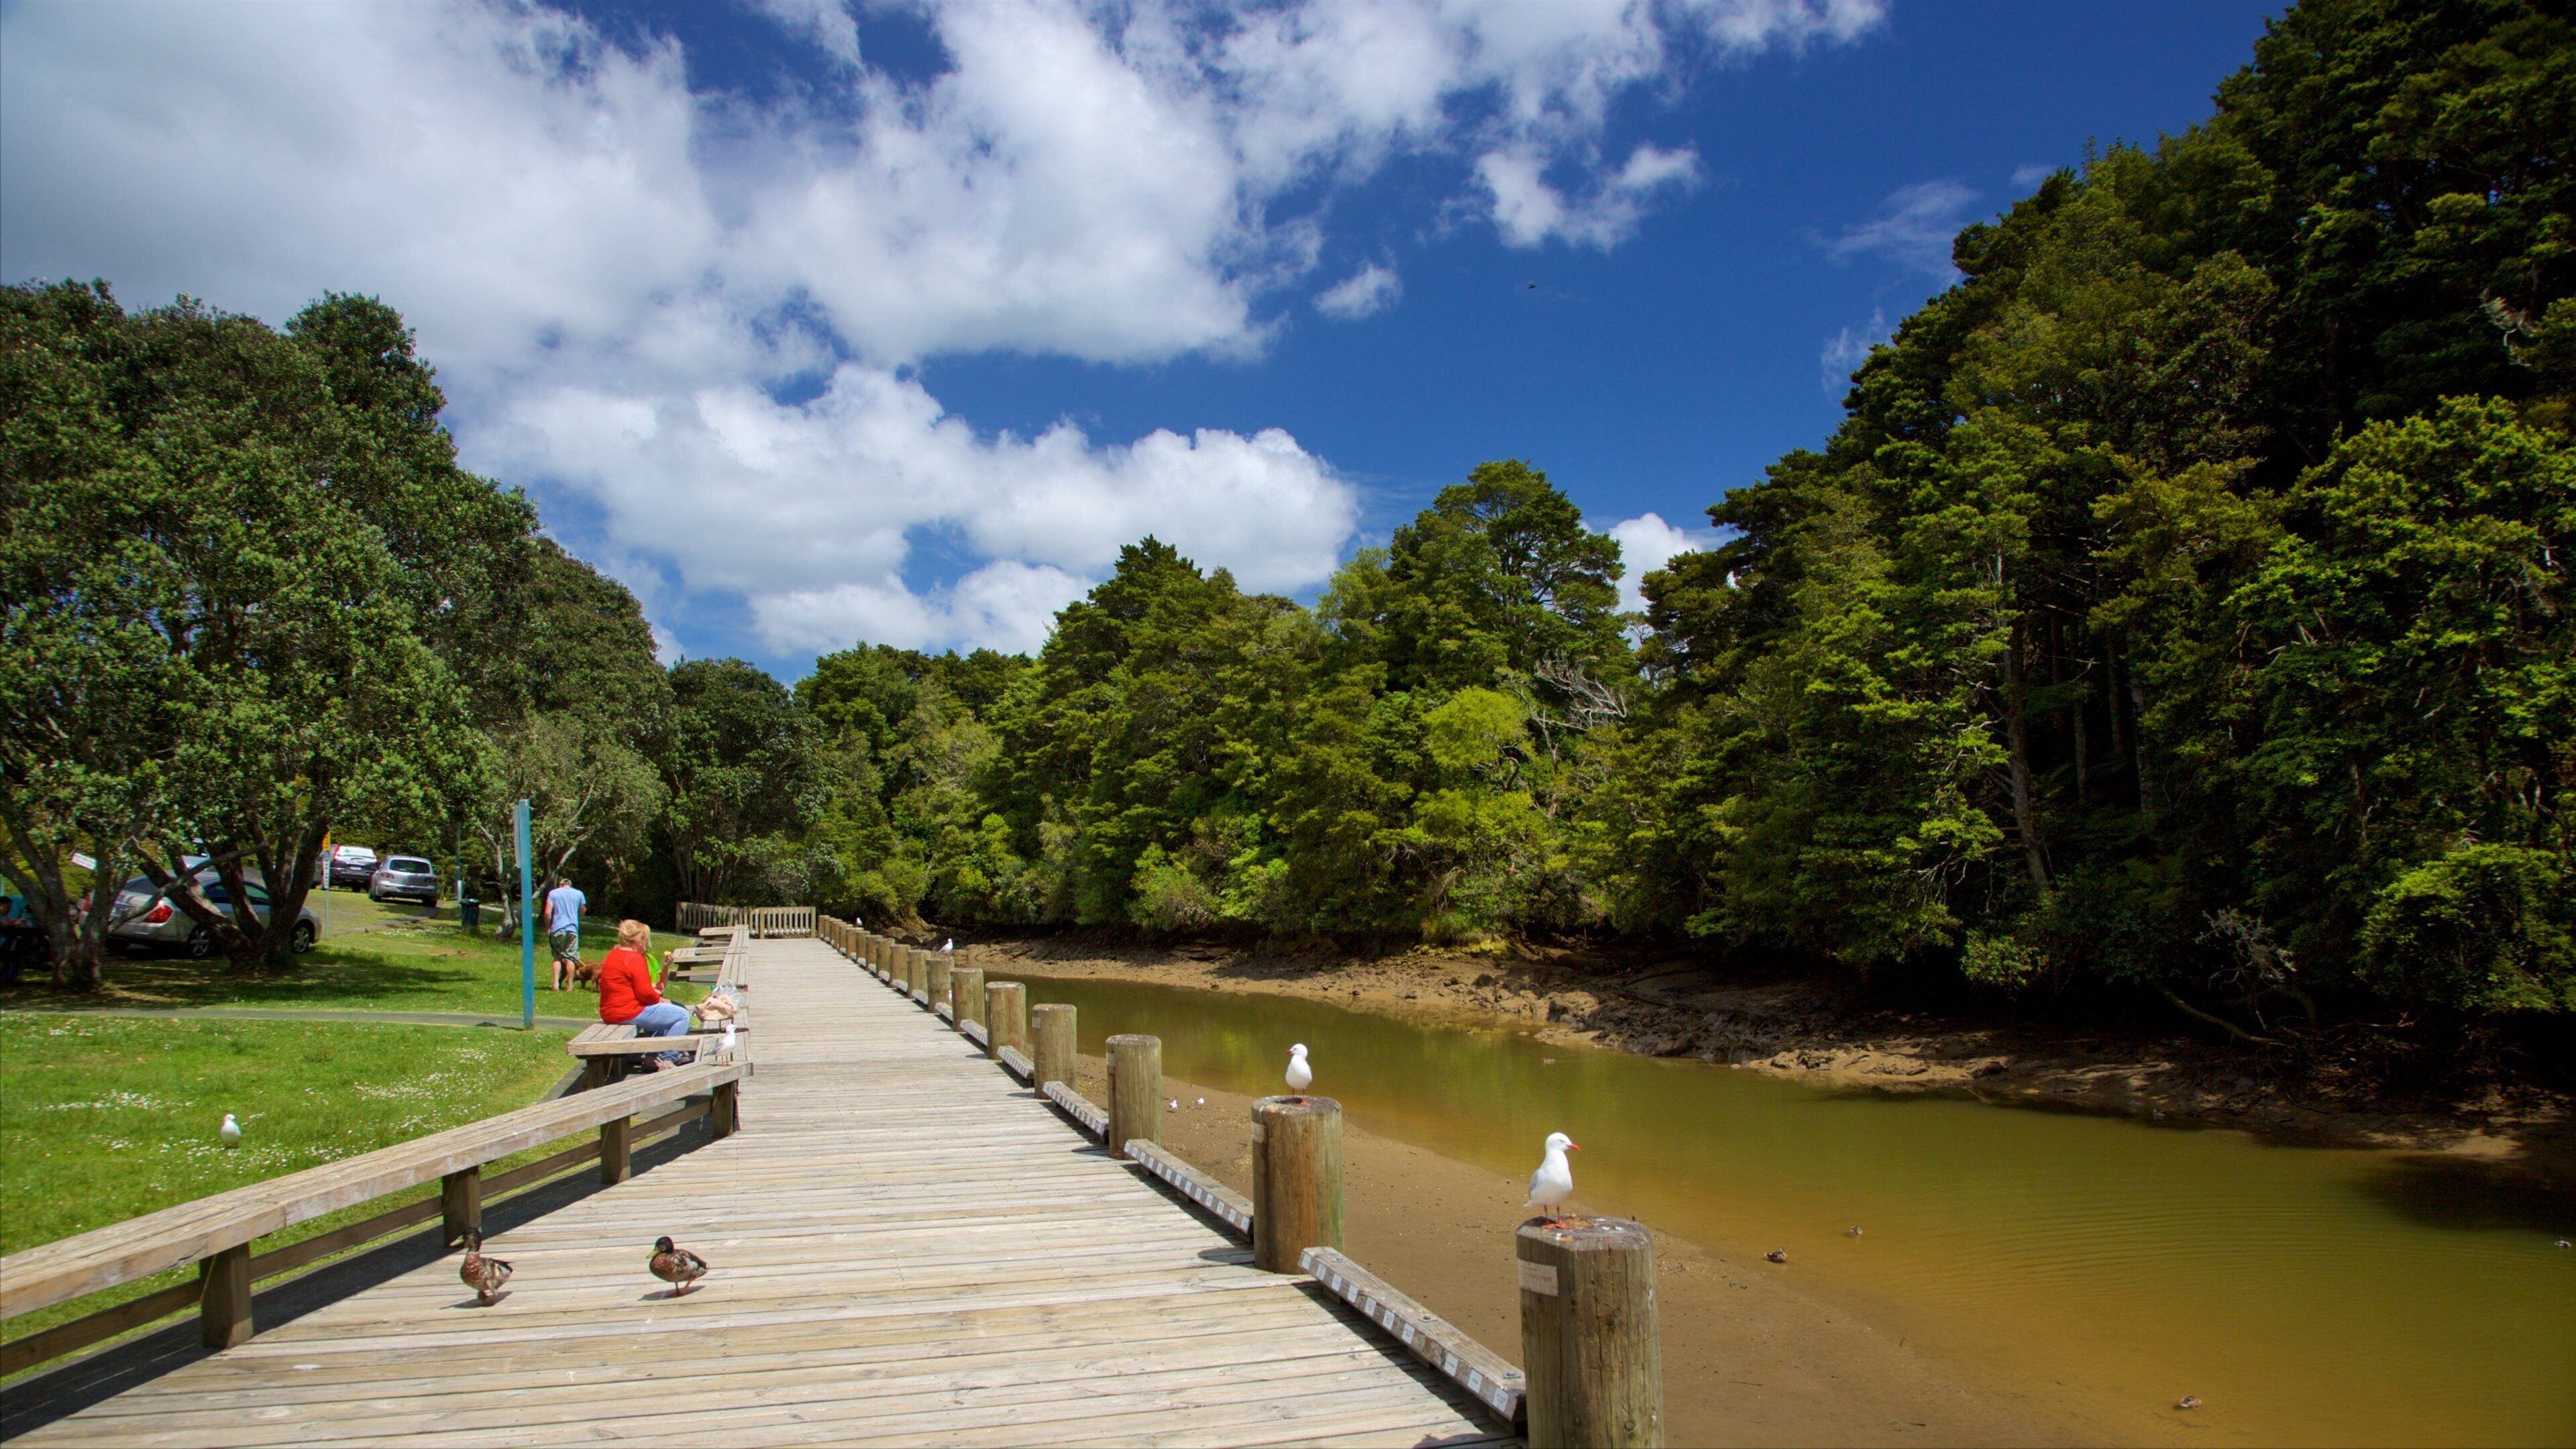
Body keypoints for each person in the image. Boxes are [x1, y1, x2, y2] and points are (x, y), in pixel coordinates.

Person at [598, 918, 692, 1068]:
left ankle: (651, 1058)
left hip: (609, 1011)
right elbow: (644, 993)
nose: (647, 943)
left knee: (667, 1014)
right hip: (628, 1011)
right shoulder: (635, 959)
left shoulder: (613, 955)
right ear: (639, 940)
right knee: (682, 1015)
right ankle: (668, 1059)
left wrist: (654, 993)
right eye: (646, 939)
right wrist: (660, 999)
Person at [544, 875, 586, 991]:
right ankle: (570, 985)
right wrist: (577, 916)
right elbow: (583, 910)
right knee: (571, 958)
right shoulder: (579, 894)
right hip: (572, 929)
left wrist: (548, 927)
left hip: (557, 929)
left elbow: (548, 913)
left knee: (557, 958)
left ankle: (555, 984)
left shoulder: (553, 894)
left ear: (560, 885)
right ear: (570, 885)